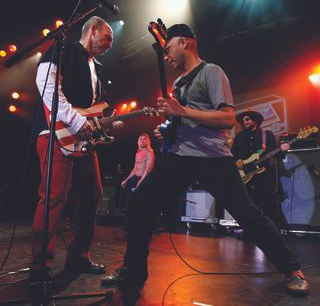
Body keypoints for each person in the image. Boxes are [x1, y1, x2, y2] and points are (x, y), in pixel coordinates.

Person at [100, 23, 309, 299]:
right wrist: (167, 129)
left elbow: (226, 117)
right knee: (140, 203)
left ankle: (293, 270)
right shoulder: (179, 83)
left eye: (168, 49)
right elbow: (185, 119)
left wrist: (181, 110)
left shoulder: (211, 72)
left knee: (248, 215)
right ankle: (133, 273)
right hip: (181, 156)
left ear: (184, 42)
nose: (166, 56)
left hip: (213, 158)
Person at [30, 16, 123, 285]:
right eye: (107, 38)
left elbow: (92, 108)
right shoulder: (64, 49)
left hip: (83, 139)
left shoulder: (96, 66)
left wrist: (107, 122)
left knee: (92, 194)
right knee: (53, 197)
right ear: (92, 30)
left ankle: (79, 256)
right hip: (54, 134)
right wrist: (77, 121)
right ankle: (40, 264)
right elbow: (46, 86)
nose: (109, 44)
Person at [231, 110, 290, 227]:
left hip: (263, 176)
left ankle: (272, 232)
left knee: (268, 205)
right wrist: (236, 161)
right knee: (248, 207)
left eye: (247, 119)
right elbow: (233, 154)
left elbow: (275, 153)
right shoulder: (239, 136)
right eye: (243, 121)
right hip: (244, 177)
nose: (245, 122)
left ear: (255, 120)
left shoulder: (266, 135)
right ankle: (249, 232)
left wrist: (282, 149)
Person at [120, 133, 154, 228]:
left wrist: (139, 183)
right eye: (140, 139)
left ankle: (140, 225)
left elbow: (148, 170)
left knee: (140, 203)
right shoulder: (137, 153)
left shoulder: (150, 153)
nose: (142, 140)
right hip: (135, 178)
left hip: (143, 179)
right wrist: (126, 180)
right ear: (138, 141)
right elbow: (135, 168)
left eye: (144, 139)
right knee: (128, 201)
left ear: (148, 141)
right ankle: (128, 224)